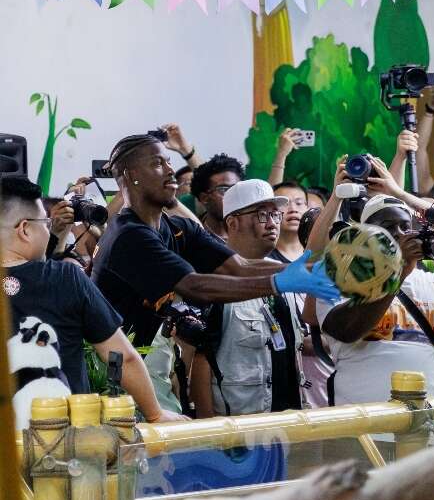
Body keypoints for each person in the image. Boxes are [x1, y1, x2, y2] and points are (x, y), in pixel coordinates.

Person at [90, 133, 340, 349]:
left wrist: (313, 269)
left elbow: (239, 267)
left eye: (168, 161)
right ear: (131, 175)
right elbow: (195, 287)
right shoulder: (128, 235)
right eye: (157, 163)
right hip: (109, 366)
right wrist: (280, 282)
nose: (170, 170)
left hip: (139, 357)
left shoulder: (179, 227)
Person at [1, 176, 186, 428]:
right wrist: (155, 414)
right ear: (24, 229)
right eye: (46, 222)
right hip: (65, 442)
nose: (48, 230)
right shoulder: (66, 279)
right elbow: (122, 356)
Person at [316, 159, 434, 405]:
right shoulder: (340, 278)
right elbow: (346, 330)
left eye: (406, 227)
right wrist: (397, 272)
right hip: (368, 424)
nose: (401, 234)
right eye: (388, 228)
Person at [190, 179, 310, 416]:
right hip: (240, 425)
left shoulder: (283, 273)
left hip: (290, 419)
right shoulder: (214, 281)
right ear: (232, 223)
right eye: (261, 215)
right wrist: (209, 429)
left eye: (275, 214)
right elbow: (199, 361)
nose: (272, 223)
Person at [190, 154, 245, 242]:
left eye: (236, 188)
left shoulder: (255, 233)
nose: (232, 195)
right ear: (204, 198)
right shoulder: (191, 238)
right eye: (223, 190)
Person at [271, 181, 309, 264]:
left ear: (307, 208)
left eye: (299, 203)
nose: (293, 209)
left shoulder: (318, 255)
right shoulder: (262, 256)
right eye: (285, 204)